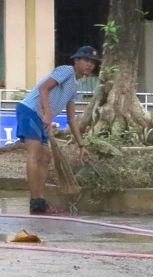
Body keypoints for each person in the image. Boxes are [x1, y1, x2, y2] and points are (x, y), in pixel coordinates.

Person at [21, 45, 100, 214]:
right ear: (76, 60)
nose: (90, 65)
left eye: (93, 62)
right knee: (34, 155)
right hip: (30, 111)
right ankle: (35, 201)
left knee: (46, 158)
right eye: (86, 60)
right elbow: (43, 88)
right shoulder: (65, 71)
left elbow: (72, 119)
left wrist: (81, 145)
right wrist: (48, 114)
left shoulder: (74, 86)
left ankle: (39, 203)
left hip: (41, 116)